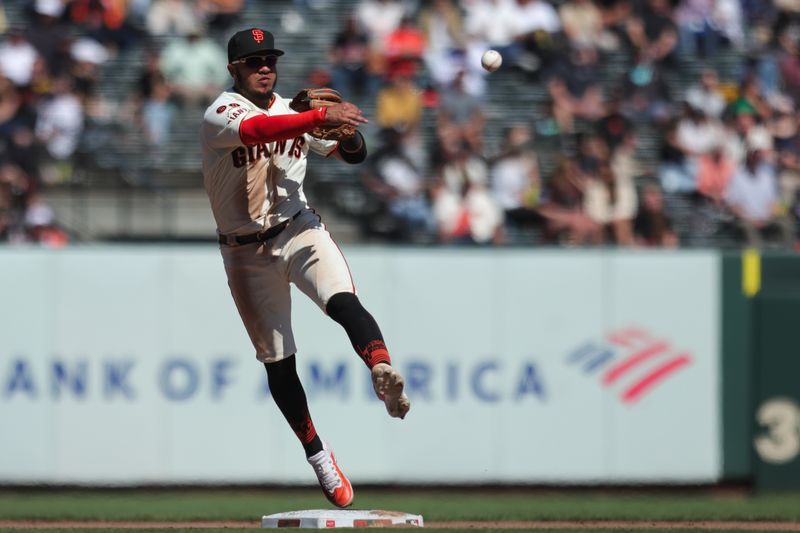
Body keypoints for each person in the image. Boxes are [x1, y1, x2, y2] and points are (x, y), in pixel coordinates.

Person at [199, 28, 410, 508]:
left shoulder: (293, 112)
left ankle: (381, 367)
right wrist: (315, 117)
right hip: (245, 251)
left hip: (299, 228)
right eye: (253, 61)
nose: (264, 67)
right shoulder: (221, 112)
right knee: (278, 359)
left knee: (342, 300)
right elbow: (257, 132)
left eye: (269, 58)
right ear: (234, 69)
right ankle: (317, 454)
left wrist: (346, 132)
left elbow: (353, 156)